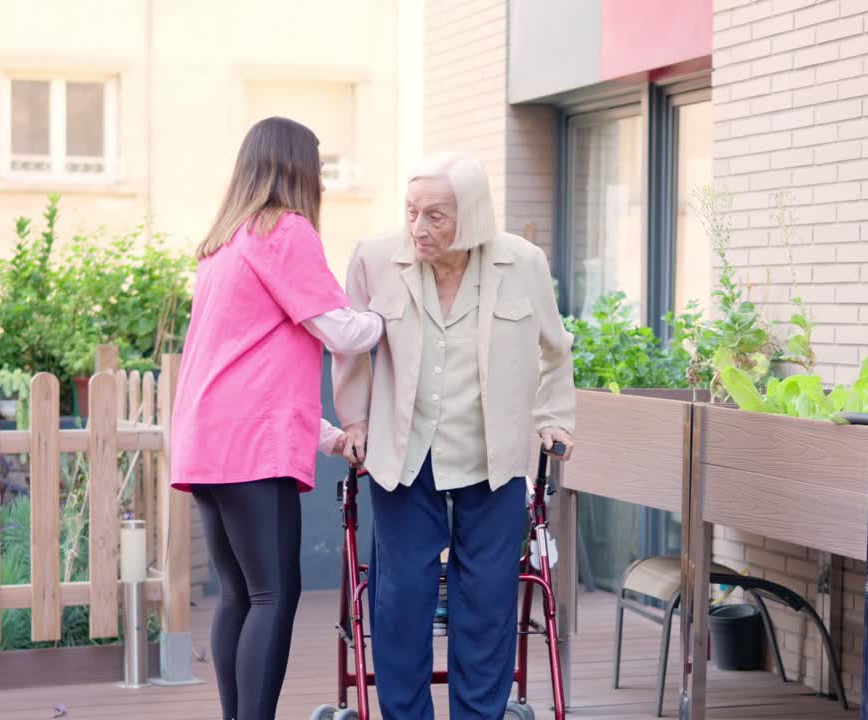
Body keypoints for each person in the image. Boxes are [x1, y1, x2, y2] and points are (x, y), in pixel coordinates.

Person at [333, 151, 576, 719]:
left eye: (435, 216)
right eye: (412, 212)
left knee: (487, 600)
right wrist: (355, 422)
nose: (419, 227)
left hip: (493, 455)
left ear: (471, 214)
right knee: (401, 600)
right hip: (404, 455)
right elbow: (351, 353)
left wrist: (554, 417)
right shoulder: (374, 258)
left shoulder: (522, 263)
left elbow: (555, 350)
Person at [170, 116, 384, 720]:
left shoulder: (223, 246)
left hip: (208, 444)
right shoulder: (282, 232)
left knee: (239, 594)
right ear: (297, 169)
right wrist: (394, 315)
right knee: (274, 593)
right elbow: (341, 329)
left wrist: (329, 437)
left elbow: (247, 371)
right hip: (247, 451)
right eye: (317, 168)